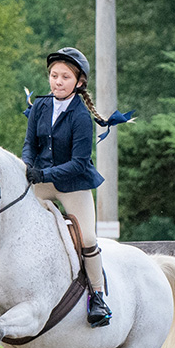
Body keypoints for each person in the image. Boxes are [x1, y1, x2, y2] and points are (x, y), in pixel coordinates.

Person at [21, 47, 123, 328]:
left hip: (72, 184)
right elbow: (30, 145)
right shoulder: (40, 106)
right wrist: (26, 166)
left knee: (88, 238)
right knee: (4, 213)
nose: (57, 82)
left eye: (65, 77)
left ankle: (98, 298)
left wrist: (41, 174)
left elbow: (79, 164)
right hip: (40, 179)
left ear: (78, 83)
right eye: (54, 76)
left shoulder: (80, 116)